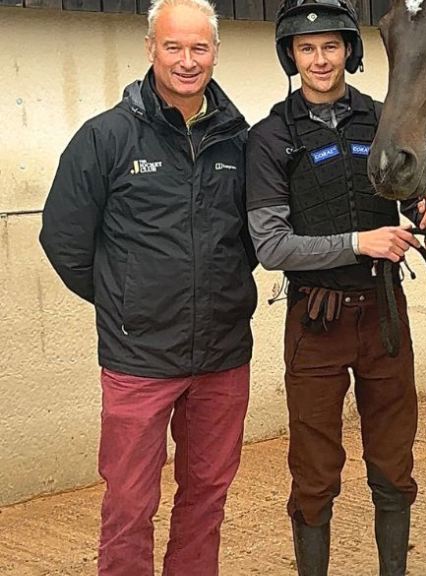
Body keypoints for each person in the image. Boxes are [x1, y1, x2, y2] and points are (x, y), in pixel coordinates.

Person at [38, 0, 256, 574]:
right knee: (130, 505)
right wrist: (127, 300)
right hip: (138, 359)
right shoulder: (106, 137)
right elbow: (63, 239)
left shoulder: (239, 141)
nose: (187, 60)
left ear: (215, 52)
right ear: (151, 49)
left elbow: (251, 240)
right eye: (173, 46)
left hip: (222, 357)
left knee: (206, 498)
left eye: (199, 47)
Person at [244, 1, 426, 574]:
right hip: (316, 323)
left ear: (349, 52)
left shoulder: (385, 120)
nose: (319, 59)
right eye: (306, 48)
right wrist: (359, 242)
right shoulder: (270, 138)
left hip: (384, 317)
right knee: (314, 474)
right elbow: (271, 247)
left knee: (393, 465)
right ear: (291, 56)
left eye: (331, 46)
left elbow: (414, 198)